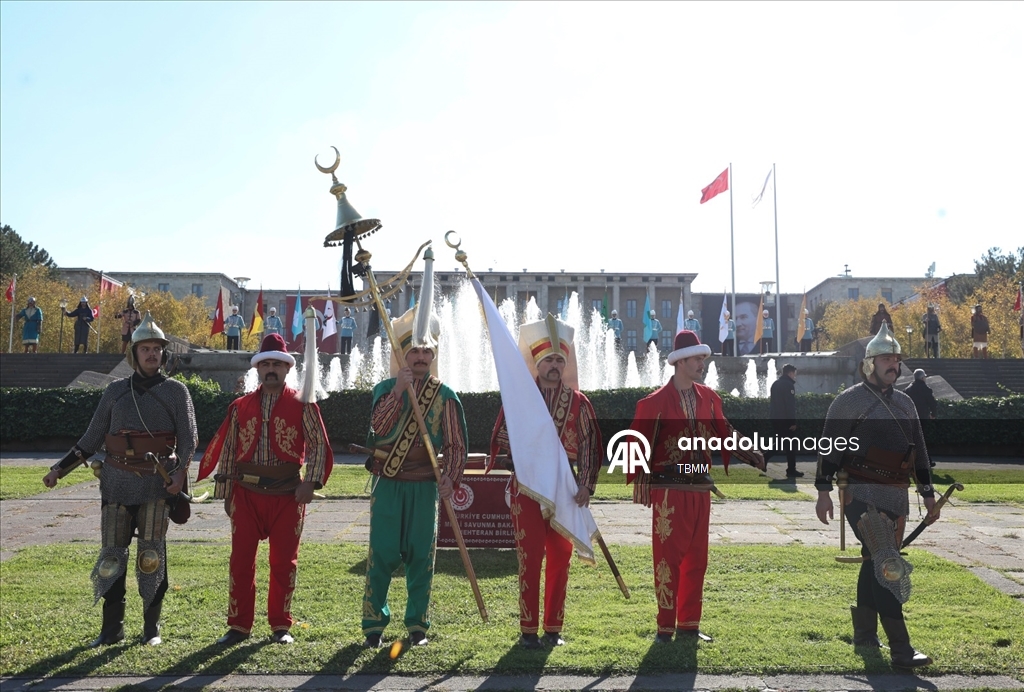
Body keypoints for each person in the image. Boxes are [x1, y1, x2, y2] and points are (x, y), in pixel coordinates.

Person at [42, 313, 198, 647]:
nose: (152, 354)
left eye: (158, 348)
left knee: (151, 555)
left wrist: (180, 471)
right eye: (146, 348)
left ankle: (151, 629)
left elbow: (188, 439)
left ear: (163, 354)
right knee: (112, 556)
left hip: (156, 484)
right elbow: (91, 438)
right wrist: (59, 469)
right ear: (135, 353)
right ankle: (111, 629)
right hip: (116, 483)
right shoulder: (114, 392)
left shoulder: (176, 391)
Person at [628, 330, 765, 643]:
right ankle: (665, 627)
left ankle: (689, 624)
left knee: (696, 560)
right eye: (697, 358)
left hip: (700, 489)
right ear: (680, 361)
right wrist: (644, 483)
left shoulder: (709, 398)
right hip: (670, 492)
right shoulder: (654, 403)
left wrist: (750, 452)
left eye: (703, 358)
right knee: (667, 561)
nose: (702, 363)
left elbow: (725, 432)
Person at [198, 332, 334, 646]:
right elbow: (230, 450)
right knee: (240, 560)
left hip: (288, 495)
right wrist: (226, 496)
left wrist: (310, 484)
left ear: (287, 368)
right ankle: (238, 626)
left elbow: (318, 446)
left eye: (277, 363)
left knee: (284, 562)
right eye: (266, 363)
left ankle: (280, 626)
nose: (271, 368)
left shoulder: (304, 403)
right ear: (258, 369)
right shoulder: (239, 406)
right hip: (245, 494)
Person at [814, 324, 937, 669]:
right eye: (886, 358)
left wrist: (928, 495)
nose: (893, 365)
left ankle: (865, 634)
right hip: (860, 494)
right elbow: (829, 449)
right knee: (887, 564)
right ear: (870, 363)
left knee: (873, 560)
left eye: (896, 359)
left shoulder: (906, 402)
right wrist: (823, 492)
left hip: (896, 497)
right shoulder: (849, 401)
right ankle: (902, 650)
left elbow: (921, 454)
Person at [490, 316, 602, 649]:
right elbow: (500, 437)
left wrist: (587, 485)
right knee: (530, 559)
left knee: (559, 558)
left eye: (558, 360)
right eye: (547, 360)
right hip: (527, 486)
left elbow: (590, 446)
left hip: (565, 488)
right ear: (537, 364)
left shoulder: (579, 403)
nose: (553, 366)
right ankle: (528, 630)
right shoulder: (520, 399)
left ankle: (553, 628)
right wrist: (527, 450)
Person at [361, 307, 468, 649]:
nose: (421, 357)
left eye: (426, 352)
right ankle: (374, 626)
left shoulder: (445, 396)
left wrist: (450, 477)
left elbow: (455, 444)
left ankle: (417, 626)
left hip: (424, 486)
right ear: (403, 354)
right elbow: (378, 428)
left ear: (433, 355)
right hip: (389, 483)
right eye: (414, 351)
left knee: (422, 557)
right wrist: (398, 392)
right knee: (382, 554)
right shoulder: (383, 389)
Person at [765, 364, 800, 477]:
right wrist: (792, 422)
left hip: (776, 419)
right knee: (791, 445)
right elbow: (789, 405)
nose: (795, 376)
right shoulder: (788, 385)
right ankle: (791, 470)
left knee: (780, 443)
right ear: (790, 373)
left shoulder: (775, 384)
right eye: (794, 373)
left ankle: (764, 458)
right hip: (785, 420)